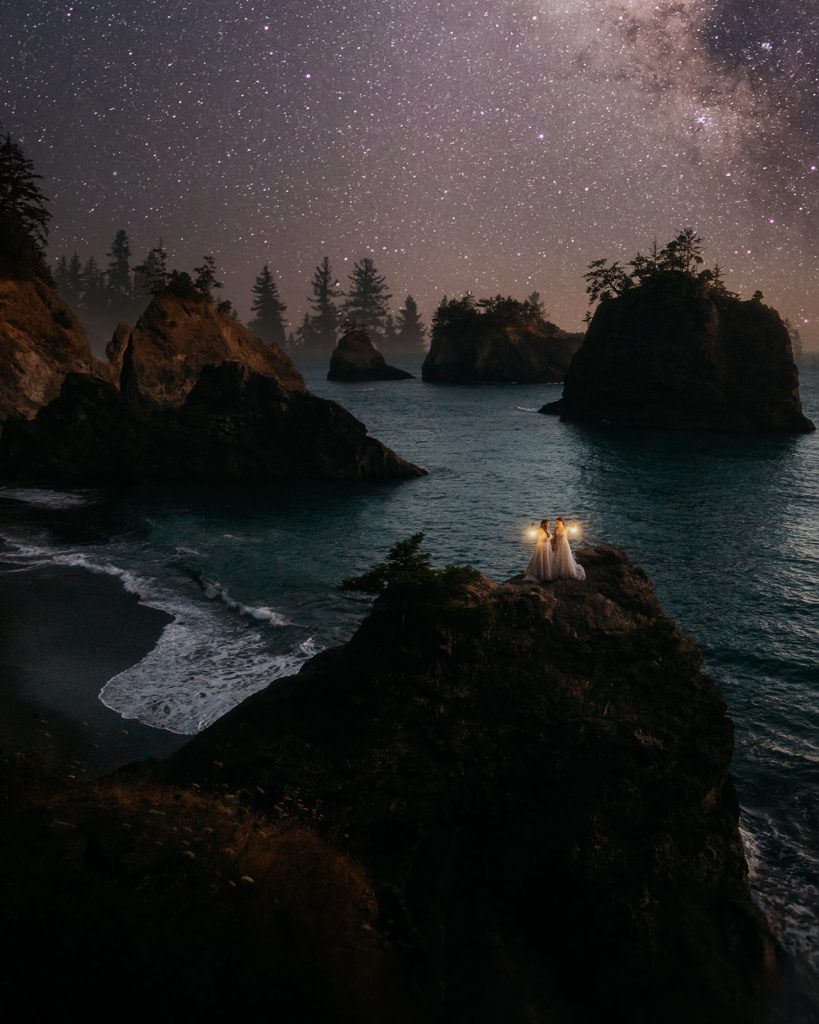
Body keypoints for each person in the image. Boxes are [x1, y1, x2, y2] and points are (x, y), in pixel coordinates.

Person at [552, 517, 586, 581]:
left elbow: (573, 529)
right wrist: (553, 546)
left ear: (561, 522)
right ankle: (559, 572)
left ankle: (566, 572)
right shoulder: (555, 528)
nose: (557, 523)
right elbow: (554, 538)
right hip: (558, 545)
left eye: (558, 522)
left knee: (565, 558)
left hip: (564, 545)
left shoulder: (566, 527)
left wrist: (574, 523)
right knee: (558, 558)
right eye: (556, 522)